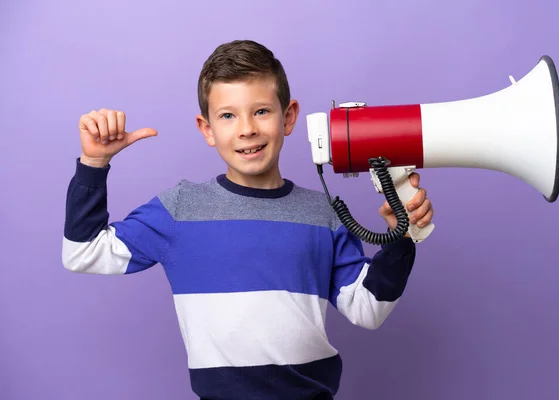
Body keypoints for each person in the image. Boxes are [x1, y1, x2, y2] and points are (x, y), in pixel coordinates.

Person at [62, 39, 434, 400]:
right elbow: (83, 253)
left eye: (261, 111)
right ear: (207, 128)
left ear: (288, 118)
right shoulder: (181, 208)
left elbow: (367, 309)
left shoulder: (323, 214)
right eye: (227, 115)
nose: (247, 129)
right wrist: (94, 164)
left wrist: (402, 235)